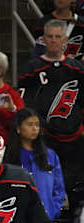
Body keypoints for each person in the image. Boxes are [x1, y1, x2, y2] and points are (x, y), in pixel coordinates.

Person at [19, 19, 84, 200]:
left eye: (58, 37)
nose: (54, 40)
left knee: (76, 185)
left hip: (74, 137)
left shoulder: (77, 69)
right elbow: (25, 104)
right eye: (50, 36)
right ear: (43, 39)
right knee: (45, 182)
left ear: (65, 40)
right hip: (44, 137)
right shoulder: (31, 68)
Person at [4, 108, 66, 222]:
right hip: (17, 219)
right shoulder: (8, 156)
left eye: (37, 125)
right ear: (18, 128)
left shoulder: (50, 155)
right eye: (29, 124)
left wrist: (54, 210)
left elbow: (59, 189)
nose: (35, 128)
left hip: (46, 217)